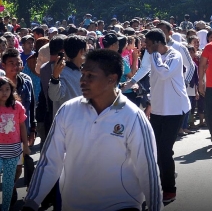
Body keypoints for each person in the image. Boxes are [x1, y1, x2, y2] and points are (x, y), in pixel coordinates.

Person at [23, 49, 162, 211]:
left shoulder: (133, 117)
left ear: (112, 79)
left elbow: (148, 168)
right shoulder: (67, 110)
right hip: (74, 205)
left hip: (121, 205)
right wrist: (31, 202)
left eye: (91, 76)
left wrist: (154, 207)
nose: (82, 80)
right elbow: (49, 162)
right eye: (83, 74)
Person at [143, 28, 190, 205]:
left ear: (157, 43)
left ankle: (170, 189)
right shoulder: (150, 55)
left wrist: (154, 54)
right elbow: (149, 76)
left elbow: (163, 74)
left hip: (175, 110)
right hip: (157, 110)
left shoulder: (174, 56)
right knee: (155, 150)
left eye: (148, 44)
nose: (145, 48)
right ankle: (164, 175)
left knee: (164, 150)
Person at [0, 77, 30, 211]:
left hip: (13, 151)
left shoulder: (17, 106)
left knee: (8, 183)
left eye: (7, 89)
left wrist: (26, 146)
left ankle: (5, 208)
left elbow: (22, 126)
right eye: (0, 90)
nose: (4, 92)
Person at [48, 35, 87, 116]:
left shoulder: (85, 72)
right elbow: (54, 96)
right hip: (67, 123)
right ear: (81, 52)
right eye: (87, 50)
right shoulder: (62, 72)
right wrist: (55, 77)